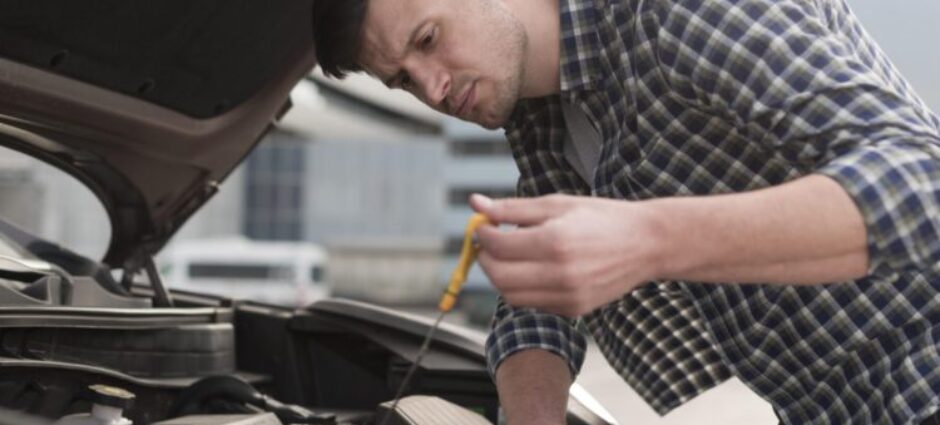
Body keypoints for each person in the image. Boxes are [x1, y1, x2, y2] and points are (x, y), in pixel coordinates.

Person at [311, 0, 940, 423]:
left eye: (427, 40)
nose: (433, 89)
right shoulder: (537, 104)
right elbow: (538, 299)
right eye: (402, 81)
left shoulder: (678, 14)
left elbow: (922, 183)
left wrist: (649, 238)